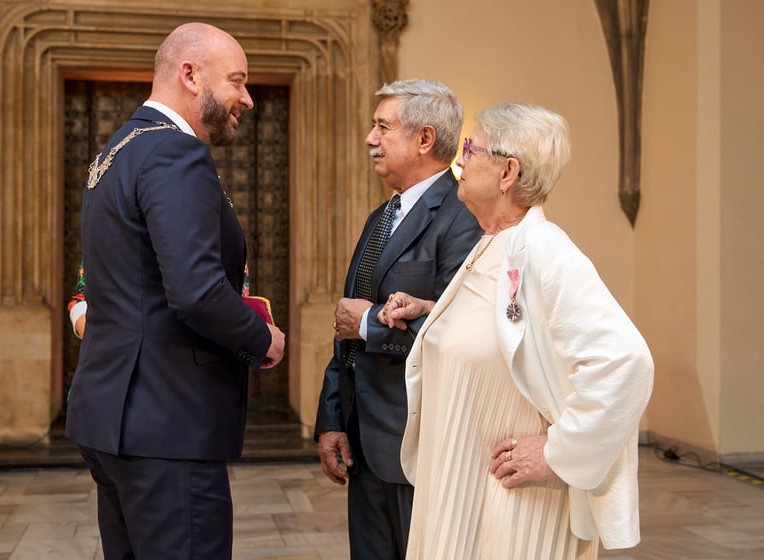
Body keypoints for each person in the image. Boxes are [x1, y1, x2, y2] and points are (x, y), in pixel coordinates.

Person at [385, 103, 654, 558]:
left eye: (471, 148)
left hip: (515, 506)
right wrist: (433, 312)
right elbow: (504, 330)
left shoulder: (547, 250)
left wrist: (557, 452)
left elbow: (625, 361)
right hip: (461, 485)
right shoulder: (492, 242)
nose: (460, 160)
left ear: (508, 171)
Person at [65, 22, 285, 560]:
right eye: (237, 81)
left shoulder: (116, 151)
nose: (247, 99)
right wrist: (263, 340)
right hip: (168, 426)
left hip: (114, 418)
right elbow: (195, 291)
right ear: (190, 74)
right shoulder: (172, 154)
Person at [314, 79, 481, 559]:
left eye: (382, 127)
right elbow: (346, 324)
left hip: (419, 446)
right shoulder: (380, 216)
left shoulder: (463, 215)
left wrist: (370, 324)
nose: (370, 138)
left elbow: (462, 333)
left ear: (425, 139)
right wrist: (332, 418)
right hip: (363, 442)